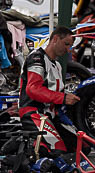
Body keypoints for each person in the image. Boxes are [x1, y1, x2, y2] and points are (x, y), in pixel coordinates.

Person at [18, 26, 81, 155]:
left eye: (70, 46)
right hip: (34, 112)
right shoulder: (37, 57)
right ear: (55, 39)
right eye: (66, 44)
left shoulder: (57, 65)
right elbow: (33, 89)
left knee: (81, 146)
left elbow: (56, 93)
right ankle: (26, 149)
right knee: (57, 150)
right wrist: (63, 98)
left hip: (52, 115)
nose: (68, 49)